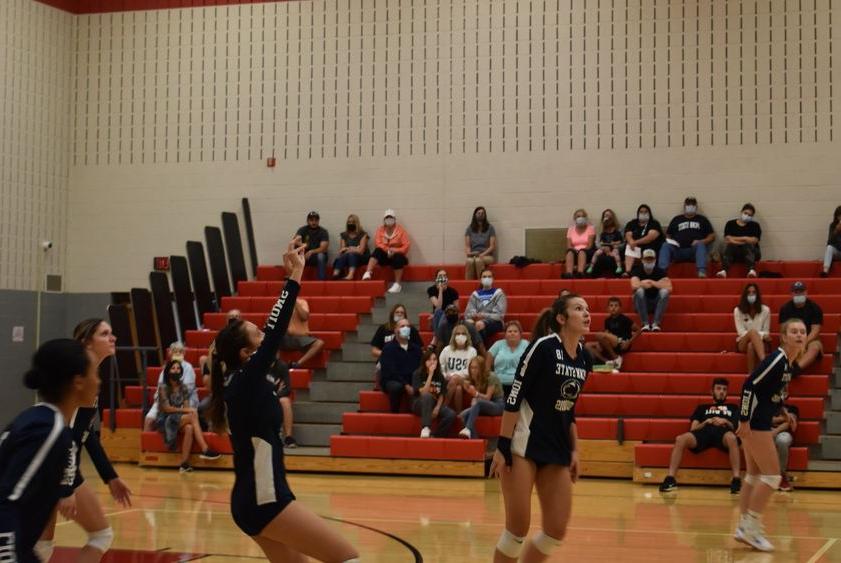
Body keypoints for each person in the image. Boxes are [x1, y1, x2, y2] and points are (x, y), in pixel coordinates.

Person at [207, 242, 359, 562]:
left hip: (255, 499)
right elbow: (276, 329)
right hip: (266, 500)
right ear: (246, 355)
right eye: (257, 336)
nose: (264, 335)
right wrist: (294, 278)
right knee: (349, 559)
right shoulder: (246, 380)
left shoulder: (241, 383)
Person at [490, 294, 592, 563]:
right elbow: (514, 395)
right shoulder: (543, 347)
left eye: (588, 309)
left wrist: (575, 451)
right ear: (561, 318)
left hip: (557, 448)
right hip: (523, 444)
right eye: (578, 309)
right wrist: (502, 446)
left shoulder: (585, 358)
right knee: (516, 531)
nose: (586, 313)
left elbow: (569, 408)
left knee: (556, 530)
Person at [38, 319, 134, 563]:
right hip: (49, 467)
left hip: (66, 469)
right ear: (86, 343)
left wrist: (109, 476)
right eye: (104, 334)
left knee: (101, 535)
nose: (112, 338)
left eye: (112, 333)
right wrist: (65, 487)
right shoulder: (76, 379)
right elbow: (66, 436)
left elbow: (86, 433)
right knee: (41, 546)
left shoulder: (93, 378)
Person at [0, 339, 99, 563]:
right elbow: (6, 500)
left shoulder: (43, 422)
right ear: (79, 382)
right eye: (95, 374)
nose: (99, 381)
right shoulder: (47, 431)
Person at [734, 319, 806, 552]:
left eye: (803, 332)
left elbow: (771, 392)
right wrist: (744, 420)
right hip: (754, 422)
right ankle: (751, 528)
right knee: (773, 476)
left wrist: (784, 411)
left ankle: (744, 526)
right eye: (794, 331)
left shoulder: (789, 364)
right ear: (784, 336)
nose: (799, 335)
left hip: (757, 419)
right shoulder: (777, 359)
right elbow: (749, 385)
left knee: (754, 475)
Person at [658, 378, 741, 494]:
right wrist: (705, 422)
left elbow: (736, 428)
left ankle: (736, 480)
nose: (722, 391)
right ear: (712, 392)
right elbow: (693, 429)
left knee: (732, 438)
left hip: (723, 434)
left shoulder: (733, 408)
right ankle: (670, 479)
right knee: (680, 439)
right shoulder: (702, 408)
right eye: (718, 389)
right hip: (703, 432)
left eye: (724, 389)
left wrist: (725, 421)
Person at [155, 360, 221, 473]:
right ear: (168, 371)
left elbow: (185, 406)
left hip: (177, 417)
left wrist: (188, 411)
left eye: (178, 368)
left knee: (190, 427)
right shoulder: (163, 388)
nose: (176, 370)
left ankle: (184, 464)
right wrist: (189, 411)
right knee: (192, 414)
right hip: (164, 419)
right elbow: (167, 409)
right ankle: (205, 449)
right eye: (173, 368)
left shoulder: (183, 387)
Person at [144, 342, 200, 432]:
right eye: (175, 351)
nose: (177, 354)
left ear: (184, 354)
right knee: (148, 419)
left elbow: (187, 390)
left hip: (184, 401)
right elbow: (160, 386)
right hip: (165, 401)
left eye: (180, 351)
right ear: (170, 353)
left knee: (175, 419)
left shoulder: (188, 368)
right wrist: (159, 399)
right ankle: (146, 445)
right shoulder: (166, 368)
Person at [658, 196, 716, 278]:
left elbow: (712, 236)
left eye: (692, 205)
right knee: (665, 245)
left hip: (694, 251)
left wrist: (701, 241)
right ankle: (661, 273)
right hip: (678, 250)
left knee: (700, 244)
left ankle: (701, 272)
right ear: (684, 206)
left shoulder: (702, 220)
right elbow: (668, 235)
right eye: (688, 205)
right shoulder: (676, 219)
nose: (690, 207)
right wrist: (672, 242)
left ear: (696, 207)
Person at [362, 209, 411, 294]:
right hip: (385, 256)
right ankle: (368, 272)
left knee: (398, 257)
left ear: (394, 219)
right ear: (384, 220)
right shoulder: (380, 230)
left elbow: (406, 246)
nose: (389, 219)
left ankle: (397, 284)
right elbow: (378, 243)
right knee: (377, 250)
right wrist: (388, 250)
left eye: (391, 218)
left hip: (397, 256)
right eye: (387, 218)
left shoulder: (401, 230)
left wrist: (395, 250)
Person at [379, 319, 423, 413]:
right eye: (402, 326)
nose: (405, 328)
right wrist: (406, 385)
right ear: (395, 330)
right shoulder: (388, 348)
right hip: (393, 380)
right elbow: (391, 371)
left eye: (408, 326)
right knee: (396, 387)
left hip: (411, 380)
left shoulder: (416, 349)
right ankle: (394, 413)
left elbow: (419, 368)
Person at [779, 281, 824, 372]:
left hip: (810, 339)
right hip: (791, 339)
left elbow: (815, 331)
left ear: (806, 293)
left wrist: (803, 342)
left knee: (815, 346)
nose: (799, 294)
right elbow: (783, 330)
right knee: (784, 347)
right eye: (796, 292)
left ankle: (795, 370)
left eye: (801, 291)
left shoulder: (815, 308)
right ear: (792, 294)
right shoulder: (785, 309)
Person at [584, 296, 638, 372]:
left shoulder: (624, 319)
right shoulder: (607, 320)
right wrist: (601, 343)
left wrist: (629, 342)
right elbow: (607, 334)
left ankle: (616, 358)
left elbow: (639, 330)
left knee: (599, 335)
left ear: (620, 308)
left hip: (622, 342)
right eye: (611, 306)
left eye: (616, 306)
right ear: (608, 308)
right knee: (587, 345)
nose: (613, 308)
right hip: (613, 342)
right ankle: (607, 361)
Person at [411, 350, 456, 438]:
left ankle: (437, 436)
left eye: (434, 359)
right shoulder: (417, 374)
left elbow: (442, 394)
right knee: (427, 396)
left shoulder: (440, 376)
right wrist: (430, 375)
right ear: (424, 362)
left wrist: (437, 407)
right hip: (419, 403)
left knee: (451, 414)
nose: (432, 362)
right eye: (429, 360)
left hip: (434, 403)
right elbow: (424, 393)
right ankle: (426, 427)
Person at [458, 356, 504, 439]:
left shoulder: (491, 377)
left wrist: (475, 394)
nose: (473, 370)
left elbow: (487, 398)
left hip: (497, 405)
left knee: (478, 403)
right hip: (483, 405)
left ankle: (467, 429)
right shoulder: (474, 378)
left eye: (476, 368)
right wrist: (464, 382)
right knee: (463, 415)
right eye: (471, 368)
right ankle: (475, 441)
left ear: (481, 368)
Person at [630, 249, 672, 331]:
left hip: (655, 304)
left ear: (655, 260)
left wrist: (652, 282)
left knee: (664, 292)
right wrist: (658, 284)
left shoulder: (660, 271)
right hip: (640, 304)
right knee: (639, 291)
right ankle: (645, 323)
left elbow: (669, 288)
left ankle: (656, 323)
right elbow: (634, 285)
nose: (649, 261)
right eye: (647, 259)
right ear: (642, 260)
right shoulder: (637, 270)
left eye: (651, 259)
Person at [439, 324, 479, 409]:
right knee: (458, 389)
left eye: (463, 334)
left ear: (467, 336)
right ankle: (459, 414)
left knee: (455, 379)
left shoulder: (472, 351)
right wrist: (445, 375)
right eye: (458, 334)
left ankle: (444, 406)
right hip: (448, 380)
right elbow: (441, 366)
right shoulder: (447, 350)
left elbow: (471, 370)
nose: (460, 336)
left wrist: (454, 375)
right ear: (453, 336)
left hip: (466, 379)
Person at [717, 203, 762, 278]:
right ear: (741, 212)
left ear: (752, 216)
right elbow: (728, 239)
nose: (747, 216)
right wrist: (745, 239)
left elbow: (754, 241)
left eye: (750, 215)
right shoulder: (730, 224)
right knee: (730, 246)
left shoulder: (755, 225)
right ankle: (724, 271)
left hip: (752, 253)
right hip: (734, 253)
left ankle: (751, 271)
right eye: (746, 213)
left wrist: (735, 239)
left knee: (748, 245)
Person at [734, 283, 771, 373]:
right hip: (742, 341)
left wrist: (757, 336)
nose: (751, 295)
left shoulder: (765, 310)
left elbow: (766, 332)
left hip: (762, 343)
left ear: (757, 295)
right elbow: (741, 332)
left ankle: (751, 376)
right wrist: (755, 334)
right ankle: (764, 363)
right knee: (752, 333)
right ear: (745, 295)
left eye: (754, 292)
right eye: (749, 293)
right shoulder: (738, 310)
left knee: (751, 346)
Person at [279, 298, 325, 369]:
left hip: (300, 337)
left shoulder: (302, 302)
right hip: (285, 338)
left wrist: (295, 302)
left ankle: (297, 364)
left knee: (319, 343)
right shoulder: (279, 304)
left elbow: (304, 317)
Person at [488, 321, 529, 398]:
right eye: (509, 331)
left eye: (515, 331)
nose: (512, 333)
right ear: (505, 334)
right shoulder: (498, 344)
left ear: (520, 334)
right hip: (499, 384)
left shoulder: (526, 344)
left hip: (519, 384)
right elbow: (487, 362)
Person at [464, 269, 507, 341]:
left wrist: (484, 315)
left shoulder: (499, 293)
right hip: (477, 320)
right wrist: (474, 315)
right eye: (484, 276)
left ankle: (480, 350)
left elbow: (499, 315)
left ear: (493, 279)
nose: (487, 278)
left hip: (495, 322)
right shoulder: (475, 294)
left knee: (479, 325)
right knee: (468, 323)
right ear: (480, 279)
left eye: (489, 276)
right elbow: (467, 314)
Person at [623, 204, 664, 274]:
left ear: (649, 213)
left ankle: (649, 273)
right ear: (638, 213)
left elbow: (651, 237)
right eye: (641, 212)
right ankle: (627, 272)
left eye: (645, 212)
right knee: (629, 247)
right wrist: (631, 242)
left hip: (650, 247)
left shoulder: (654, 223)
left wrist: (635, 242)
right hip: (635, 248)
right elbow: (628, 234)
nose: (643, 213)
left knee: (648, 250)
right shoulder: (632, 223)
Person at [267, 357, 298, 448]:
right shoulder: (258, 365)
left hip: (276, 396)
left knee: (285, 401)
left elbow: (287, 388)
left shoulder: (281, 366)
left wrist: (274, 394)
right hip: (262, 397)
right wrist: (273, 390)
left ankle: (288, 437)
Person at [771, 392, 798, 493]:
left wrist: (775, 431)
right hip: (767, 430)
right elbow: (767, 420)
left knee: (782, 441)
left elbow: (791, 425)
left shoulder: (793, 408)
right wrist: (784, 418)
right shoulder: (768, 405)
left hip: (784, 434)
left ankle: (781, 476)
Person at [332, 214, 370, 280]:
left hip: (362, 258)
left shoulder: (363, 234)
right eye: (349, 222)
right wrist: (354, 248)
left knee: (351, 254)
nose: (351, 223)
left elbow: (361, 251)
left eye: (353, 222)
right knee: (344, 256)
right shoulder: (344, 235)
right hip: (347, 256)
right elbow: (342, 250)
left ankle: (350, 275)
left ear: (356, 223)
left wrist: (348, 249)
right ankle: (335, 274)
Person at [294, 211, 329, 281]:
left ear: (318, 221)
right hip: (304, 255)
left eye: (316, 220)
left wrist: (311, 251)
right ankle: (294, 280)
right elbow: (295, 240)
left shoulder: (323, 231)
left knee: (321, 256)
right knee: (292, 254)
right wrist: (302, 246)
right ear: (307, 221)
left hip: (316, 256)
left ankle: (321, 281)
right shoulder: (302, 229)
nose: (314, 222)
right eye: (311, 220)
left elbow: (323, 248)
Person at [465, 206, 498, 279]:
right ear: (475, 215)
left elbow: (492, 246)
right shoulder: (469, 229)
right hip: (473, 255)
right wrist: (469, 253)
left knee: (478, 260)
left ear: (485, 215)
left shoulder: (490, 228)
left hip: (487, 256)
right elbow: (467, 246)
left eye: (482, 213)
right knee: (469, 261)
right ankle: (469, 284)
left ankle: (481, 284)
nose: (481, 214)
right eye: (479, 213)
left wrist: (482, 254)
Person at [563, 209, 596, 279]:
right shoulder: (570, 230)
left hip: (587, 251)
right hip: (574, 251)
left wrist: (580, 251)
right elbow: (569, 245)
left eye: (582, 216)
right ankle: (569, 274)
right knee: (569, 252)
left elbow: (590, 245)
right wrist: (574, 251)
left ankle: (580, 273)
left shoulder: (590, 229)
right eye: (578, 216)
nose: (580, 218)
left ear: (585, 218)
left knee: (582, 252)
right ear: (575, 218)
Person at [427, 269, 459, 334]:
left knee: (444, 316)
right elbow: (438, 306)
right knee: (438, 313)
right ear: (436, 279)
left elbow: (456, 309)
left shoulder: (453, 292)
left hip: (450, 315)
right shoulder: (431, 290)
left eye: (444, 276)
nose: (442, 278)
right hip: (437, 315)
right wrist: (440, 290)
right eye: (440, 276)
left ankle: (436, 339)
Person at [821, 205, 841, 277]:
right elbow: (829, 242)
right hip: (837, 252)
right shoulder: (833, 225)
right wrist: (836, 231)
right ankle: (825, 271)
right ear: (836, 216)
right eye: (839, 216)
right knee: (829, 247)